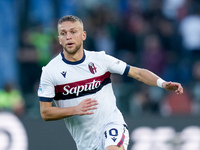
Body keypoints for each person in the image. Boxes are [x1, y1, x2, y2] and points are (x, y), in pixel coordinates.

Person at [38, 15, 183, 150]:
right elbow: (45, 112)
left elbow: (137, 72)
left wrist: (162, 83)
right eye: (63, 33)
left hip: (111, 124)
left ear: (83, 35)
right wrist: (74, 110)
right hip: (85, 143)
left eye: (73, 31)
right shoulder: (50, 71)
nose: (68, 36)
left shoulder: (100, 59)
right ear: (59, 39)